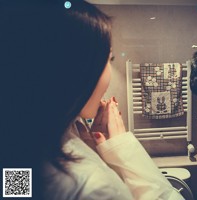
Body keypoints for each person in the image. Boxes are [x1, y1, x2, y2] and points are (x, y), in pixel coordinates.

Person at [0, 1, 184, 199]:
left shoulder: (18, 144)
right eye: (109, 59)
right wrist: (124, 149)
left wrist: (88, 150)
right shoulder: (94, 188)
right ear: (78, 70)